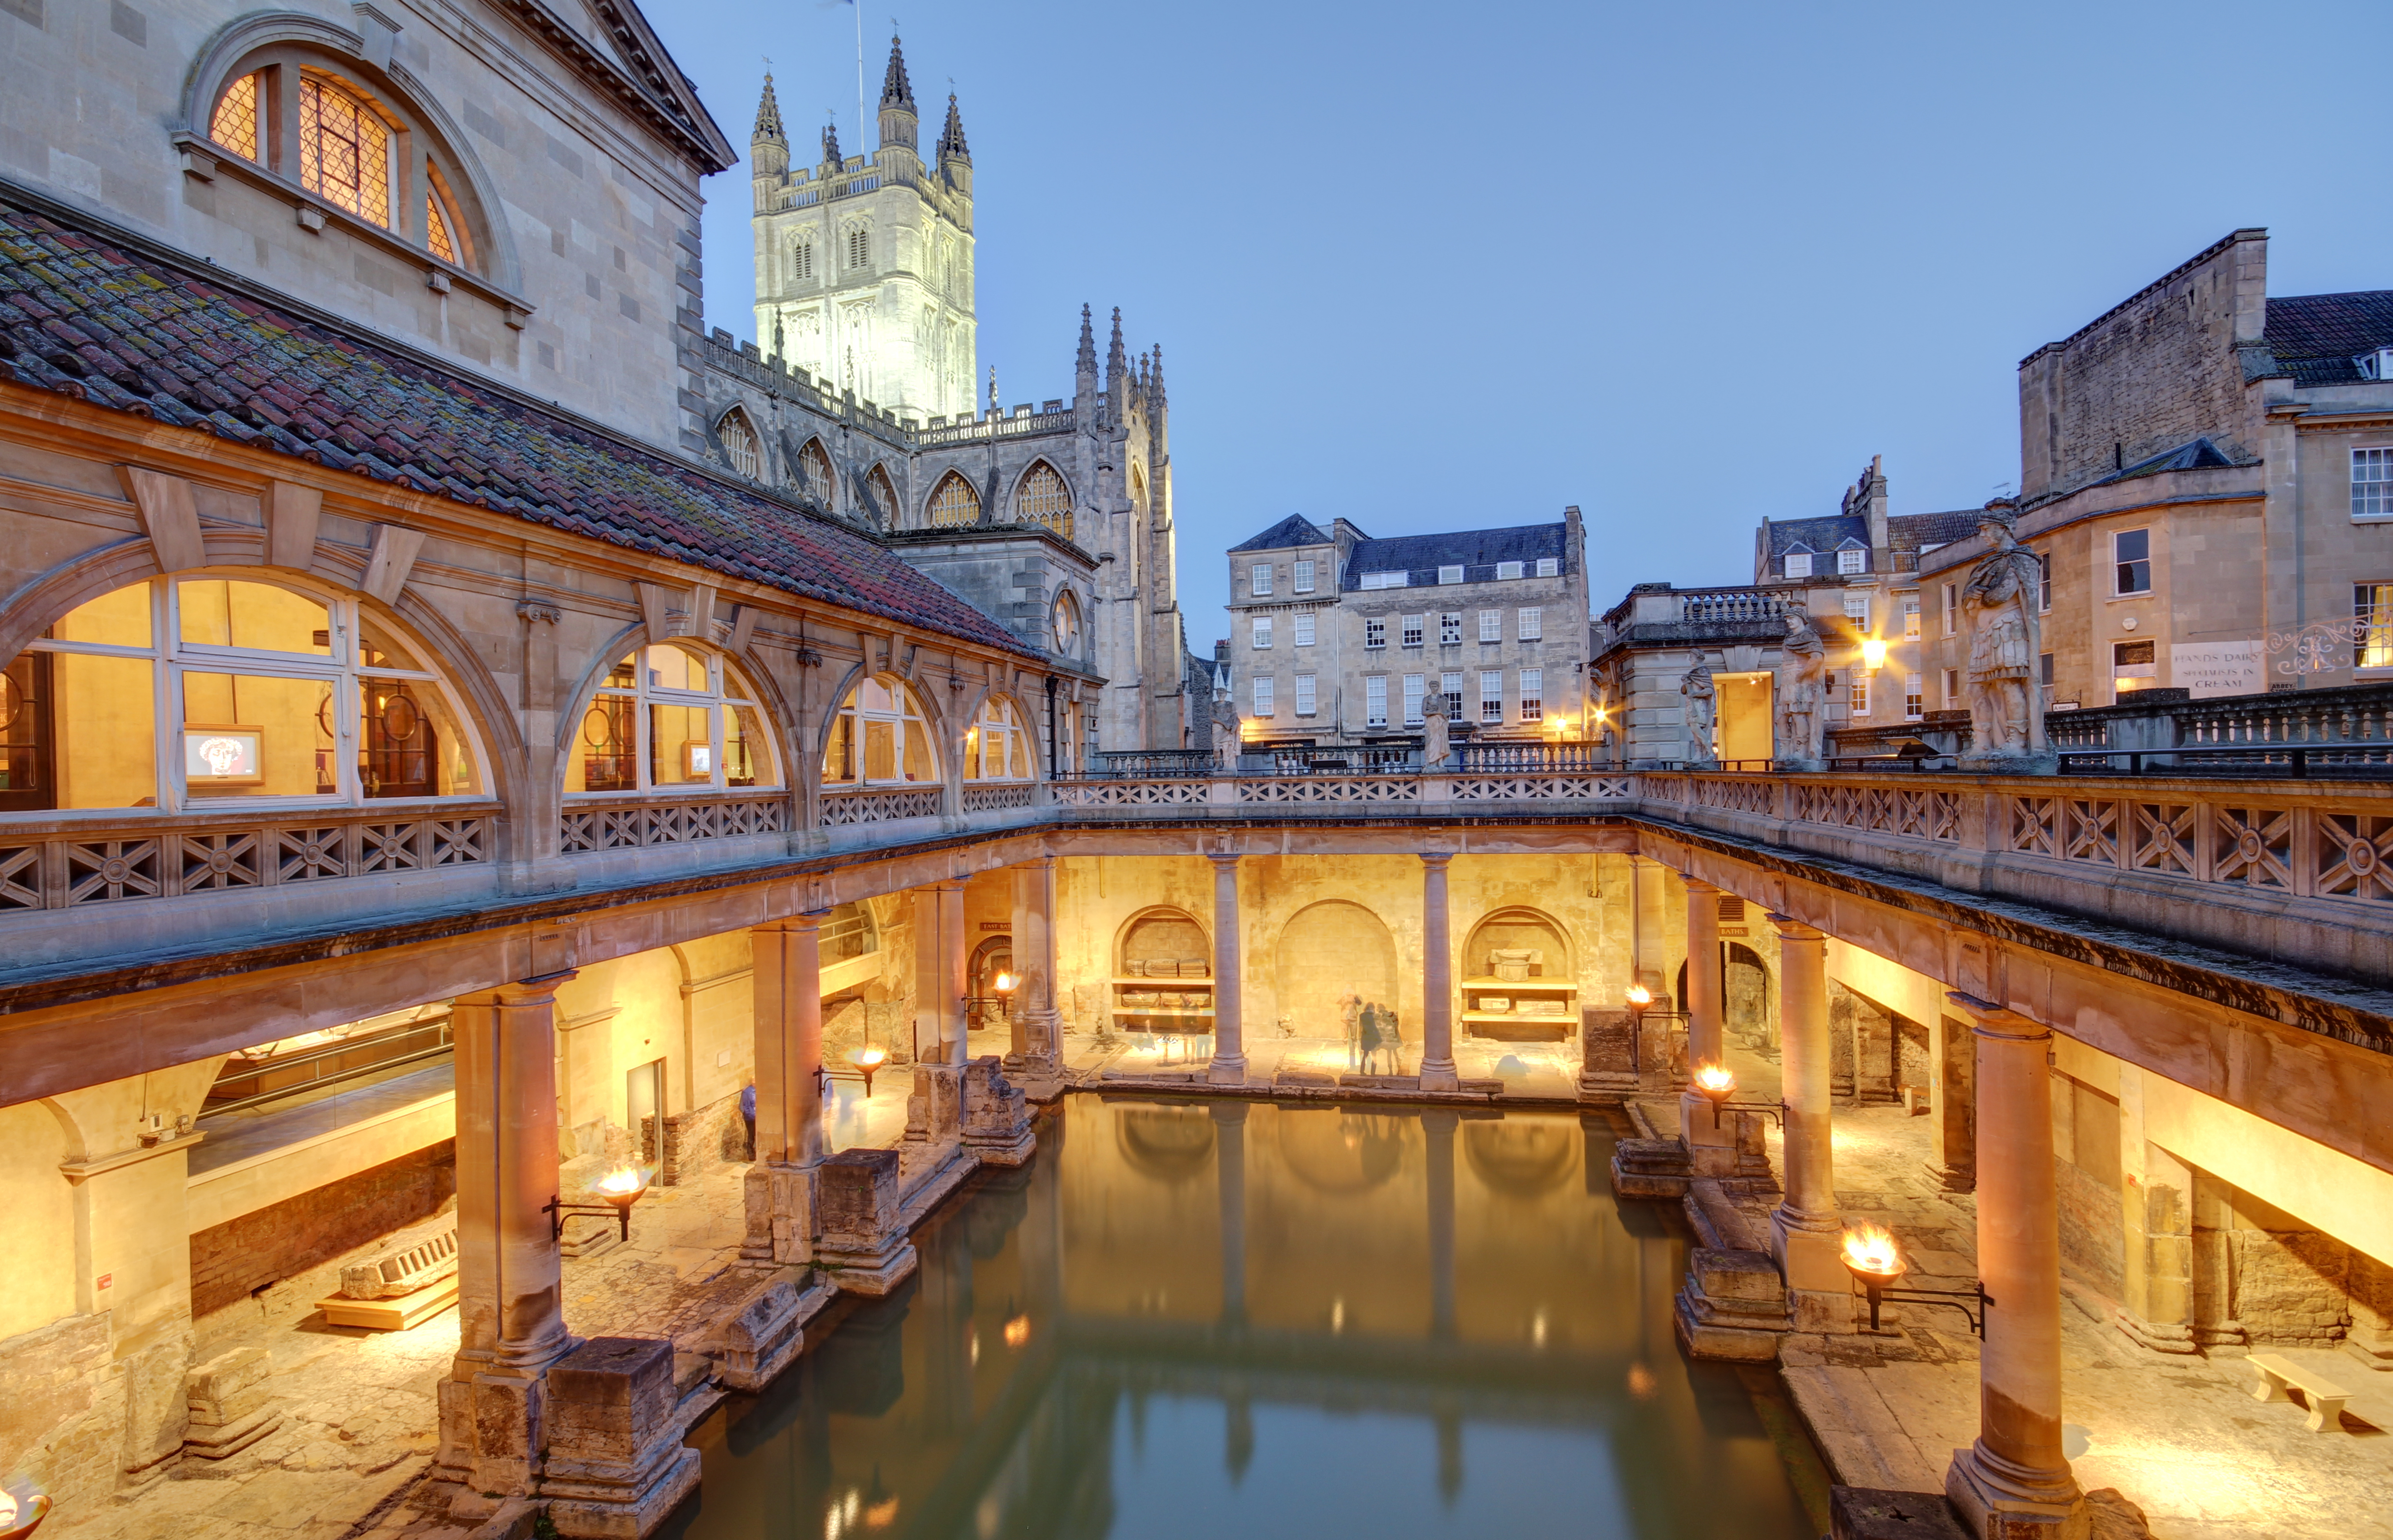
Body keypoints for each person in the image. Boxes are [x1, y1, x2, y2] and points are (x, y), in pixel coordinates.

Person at [1962, 499, 2045, 756]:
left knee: (2009, 683)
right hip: (1986, 633)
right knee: (1976, 688)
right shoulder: (1989, 563)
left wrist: (1980, 595)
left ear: (2004, 528)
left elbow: (2003, 594)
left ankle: (2017, 741)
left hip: (2007, 628)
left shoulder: (2021, 559)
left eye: (1987, 529)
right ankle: (1983, 742)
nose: (1983, 535)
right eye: (1982, 530)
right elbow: (1968, 600)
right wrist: (1971, 597)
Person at [1680, 651, 1718, 763]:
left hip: (1700, 706)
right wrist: (1686, 683)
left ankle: (1710, 752)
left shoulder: (1703, 672)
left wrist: (1696, 694)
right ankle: (1699, 754)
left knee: (1696, 728)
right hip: (1691, 705)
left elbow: (1709, 690)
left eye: (1692, 657)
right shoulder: (1693, 674)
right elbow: (1684, 691)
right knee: (1694, 730)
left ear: (1698, 657)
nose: (1690, 659)